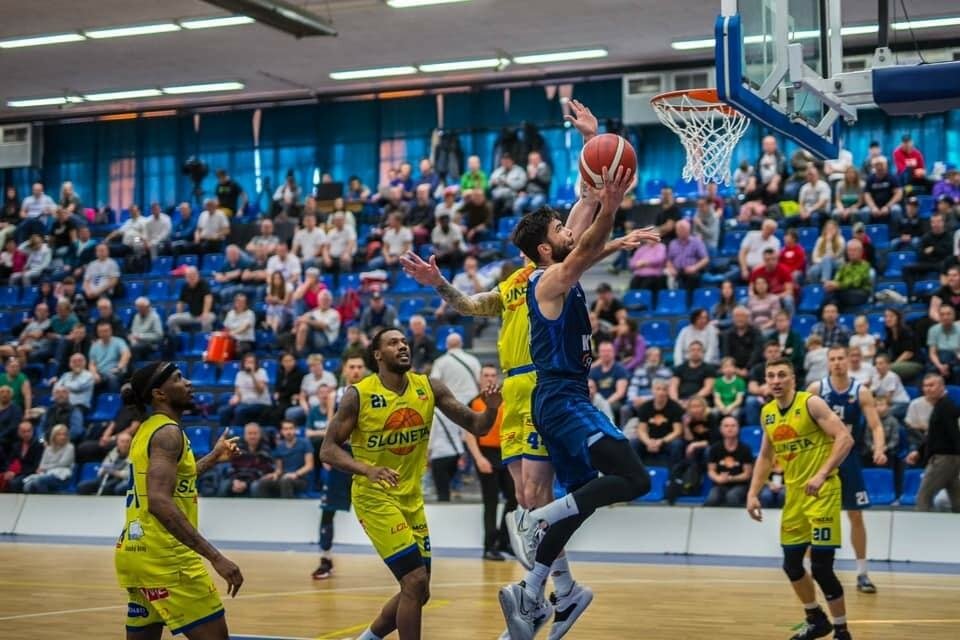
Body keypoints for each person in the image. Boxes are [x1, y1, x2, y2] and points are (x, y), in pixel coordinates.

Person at [500, 168, 657, 640]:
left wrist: (593, 160)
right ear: (547, 249)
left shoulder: (558, 269)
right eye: (559, 231)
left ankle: (544, 592)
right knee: (635, 478)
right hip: (561, 401)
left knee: (581, 501)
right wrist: (610, 208)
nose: (569, 230)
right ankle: (538, 520)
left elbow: (581, 216)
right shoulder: (548, 281)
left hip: (565, 399)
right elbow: (587, 243)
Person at [319, 328, 502, 640]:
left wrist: (493, 408)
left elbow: (476, 425)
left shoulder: (429, 387)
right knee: (415, 581)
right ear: (377, 355)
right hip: (374, 497)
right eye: (393, 343)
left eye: (404, 342)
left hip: (411, 499)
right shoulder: (358, 395)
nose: (402, 346)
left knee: (420, 590)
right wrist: (367, 469)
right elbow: (328, 449)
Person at [115, 362, 243, 639]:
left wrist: (213, 457)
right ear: (160, 394)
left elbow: (173, 482)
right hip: (168, 558)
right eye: (178, 378)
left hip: (137, 552)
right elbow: (159, 501)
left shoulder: (148, 430)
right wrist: (216, 557)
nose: (188, 383)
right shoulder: (168, 433)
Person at [746, 357, 854, 640]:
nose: (776, 380)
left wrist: (821, 474)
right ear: (766, 381)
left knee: (820, 566)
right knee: (791, 564)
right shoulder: (768, 413)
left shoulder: (811, 403)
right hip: (794, 496)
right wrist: (752, 492)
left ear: (793, 378)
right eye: (771, 376)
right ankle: (816, 619)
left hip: (823, 491)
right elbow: (767, 456)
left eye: (782, 375)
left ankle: (842, 631)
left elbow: (844, 438)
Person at [808, 346, 886, 593]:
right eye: (833, 359)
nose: (838, 362)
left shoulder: (860, 391)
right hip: (821, 458)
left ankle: (862, 573)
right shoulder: (816, 389)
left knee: (856, 516)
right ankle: (815, 568)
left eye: (841, 358)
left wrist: (879, 448)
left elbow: (876, 426)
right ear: (828, 362)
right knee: (815, 515)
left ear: (848, 361)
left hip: (848, 458)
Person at [311, 355, 369, 580]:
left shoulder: (372, 393)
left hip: (365, 458)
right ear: (345, 370)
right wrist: (328, 453)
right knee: (328, 510)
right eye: (352, 367)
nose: (355, 370)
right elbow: (330, 427)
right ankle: (325, 559)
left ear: (365, 370)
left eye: (359, 367)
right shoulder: (335, 395)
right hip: (342, 457)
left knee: (377, 508)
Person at [461, 364, 519, 561]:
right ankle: (489, 546)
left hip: (506, 453)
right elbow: (469, 434)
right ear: (480, 378)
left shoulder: (506, 401)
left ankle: (504, 540)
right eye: (486, 375)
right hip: (485, 453)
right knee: (491, 501)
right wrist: (478, 458)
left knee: (514, 497)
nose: (490, 379)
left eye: (493, 375)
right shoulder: (475, 403)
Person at [906, 374, 960, 512]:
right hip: (950, 460)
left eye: (932, 385)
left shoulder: (947, 407)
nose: (928, 389)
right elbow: (933, 436)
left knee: (923, 498)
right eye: (925, 386)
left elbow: (955, 434)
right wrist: (919, 451)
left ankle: (920, 529)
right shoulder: (940, 406)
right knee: (957, 499)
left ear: (942, 387)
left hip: (944, 460)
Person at [254, 420, 314, 498]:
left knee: (286, 481)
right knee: (264, 482)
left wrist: (295, 474)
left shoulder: (305, 443)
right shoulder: (280, 446)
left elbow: (309, 465)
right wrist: (274, 474)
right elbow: (279, 469)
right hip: (284, 477)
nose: (288, 432)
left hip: (301, 479)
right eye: (285, 429)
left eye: (291, 428)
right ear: (281, 431)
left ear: (295, 430)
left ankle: (288, 508)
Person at [704, 417, 753, 507]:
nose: (730, 428)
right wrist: (718, 478)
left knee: (732, 497)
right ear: (721, 429)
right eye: (726, 426)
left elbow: (747, 474)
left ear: (738, 429)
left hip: (740, 485)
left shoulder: (745, 449)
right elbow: (711, 470)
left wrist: (730, 478)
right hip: (720, 484)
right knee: (712, 498)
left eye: (733, 426)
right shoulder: (715, 448)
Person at [218, 423, 273, 498]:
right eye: (250, 434)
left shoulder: (265, 450)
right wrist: (234, 481)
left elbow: (264, 471)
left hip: (255, 480)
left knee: (256, 487)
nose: (252, 436)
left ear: (260, 435)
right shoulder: (237, 449)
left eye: (255, 434)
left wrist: (246, 483)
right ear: (245, 435)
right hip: (237, 479)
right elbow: (231, 467)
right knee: (224, 486)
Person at [77, 431, 132, 495]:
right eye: (122, 441)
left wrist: (116, 473)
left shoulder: (133, 455)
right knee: (82, 487)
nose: (125, 444)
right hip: (106, 477)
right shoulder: (113, 453)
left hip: (121, 479)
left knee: (108, 488)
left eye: (127, 441)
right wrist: (103, 471)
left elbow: (130, 474)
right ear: (117, 442)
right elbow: (103, 467)